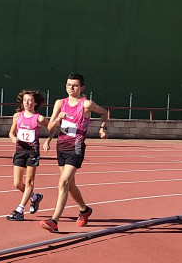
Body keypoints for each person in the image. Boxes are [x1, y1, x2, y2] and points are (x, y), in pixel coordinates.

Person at [40, 73, 110, 233]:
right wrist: (57, 120)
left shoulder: (86, 104)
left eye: (75, 85)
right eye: (68, 85)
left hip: (76, 147)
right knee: (70, 185)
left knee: (63, 182)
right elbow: (50, 127)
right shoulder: (60, 103)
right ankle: (84, 210)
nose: (71, 88)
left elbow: (104, 112)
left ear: (82, 88)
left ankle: (54, 221)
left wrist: (102, 128)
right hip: (62, 146)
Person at [6, 90, 48, 221]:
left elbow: (52, 128)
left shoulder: (39, 118)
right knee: (17, 183)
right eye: (25, 100)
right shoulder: (17, 116)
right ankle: (35, 197)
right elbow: (11, 133)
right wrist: (14, 139)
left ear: (35, 103)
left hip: (32, 153)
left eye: (30, 100)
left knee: (29, 182)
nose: (27, 103)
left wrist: (48, 140)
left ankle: (19, 210)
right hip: (19, 151)